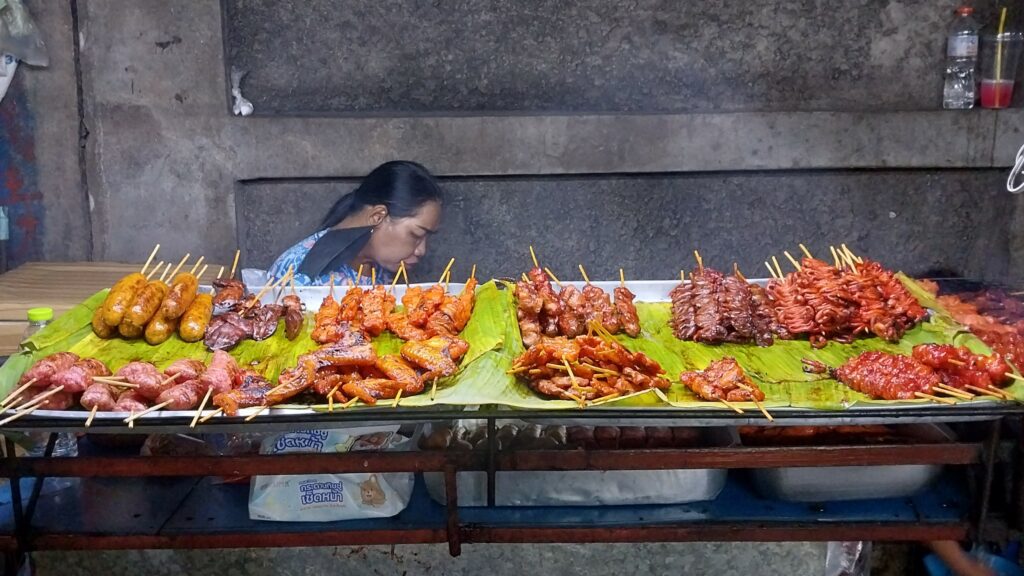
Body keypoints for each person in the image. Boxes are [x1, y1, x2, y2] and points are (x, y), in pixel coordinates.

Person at [268, 161, 443, 286]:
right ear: (377, 216)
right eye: (416, 235)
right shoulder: (298, 276)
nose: (422, 250)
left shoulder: (384, 269)